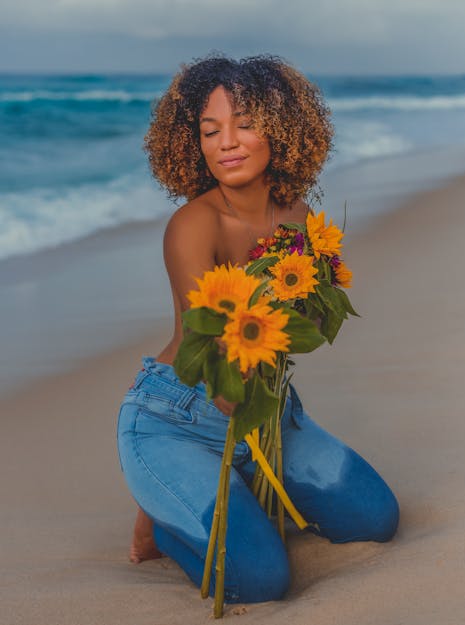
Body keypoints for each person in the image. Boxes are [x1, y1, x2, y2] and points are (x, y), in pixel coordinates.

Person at [116, 54, 399, 604]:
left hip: (269, 407)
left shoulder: (294, 218)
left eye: (245, 123)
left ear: (282, 129)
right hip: (180, 417)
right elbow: (223, 377)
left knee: (376, 519)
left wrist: (313, 298)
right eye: (210, 130)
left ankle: (236, 491)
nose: (227, 142)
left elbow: (306, 325)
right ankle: (162, 522)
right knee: (260, 581)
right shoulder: (193, 225)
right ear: (191, 141)